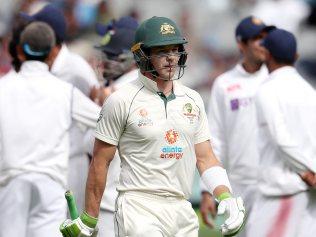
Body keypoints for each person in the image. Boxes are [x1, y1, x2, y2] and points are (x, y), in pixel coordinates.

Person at [60, 16, 246, 237]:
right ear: (142, 55)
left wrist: (225, 195)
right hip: (138, 207)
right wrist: (89, 218)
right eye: (161, 51)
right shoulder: (121, 100)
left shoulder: (192, 99)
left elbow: (205, 157)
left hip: (181, 207)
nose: (171, 59)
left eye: (175, 50)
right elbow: (100, 161)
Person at [0, 22, 99, 237]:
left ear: (20, 51)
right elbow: (104, 120)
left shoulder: (3, 87)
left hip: (11, 181)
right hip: (50, 182)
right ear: (51, 54)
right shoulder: (65, 91)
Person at [20, 4, 100, 212]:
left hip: (72, 163)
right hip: (45, 162)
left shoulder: (75, 68)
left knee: (69, 224)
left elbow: (100, 113)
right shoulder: (40, 67)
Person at [199, 16, 274, 234]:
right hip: (240, 184)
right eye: (256, 39)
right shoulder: (225, 84)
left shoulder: (276, 79)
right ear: (241, 44)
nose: (263, 43)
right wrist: (207, 190)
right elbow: (215, 139)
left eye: (265, 38)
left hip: (275, 183)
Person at [247, 28, 316, 237]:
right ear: (295, 56)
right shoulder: (309, 90)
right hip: (306, 188)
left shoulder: (267, 90)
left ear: (266, 54)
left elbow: (281, 138)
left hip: (284, 188)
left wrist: (307, 172)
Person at [92, 16, 139, 237]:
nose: (103, 63)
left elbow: (90, 146)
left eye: (111, 56)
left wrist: (94, 107)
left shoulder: (117, 95)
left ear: (130, 59)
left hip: (113, 202)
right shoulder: (141, 88)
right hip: (136, 205)